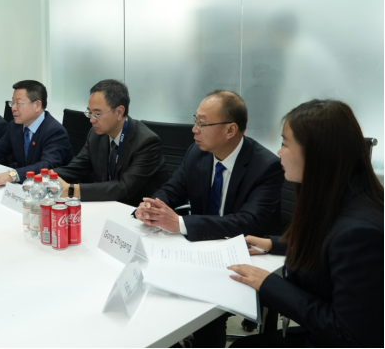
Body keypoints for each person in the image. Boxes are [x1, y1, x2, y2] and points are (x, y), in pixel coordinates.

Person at [228, 100, 384, 348]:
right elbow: (329, 244)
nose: (279, 152)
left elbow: (350, 335)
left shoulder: (359, 233)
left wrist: (269, 284)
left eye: (284, 143)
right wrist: (274, 244)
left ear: (316, 153)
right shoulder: (343, 196)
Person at [134, 90, 283, 348]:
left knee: (205, 307)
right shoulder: (197, 152)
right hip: (202, 250)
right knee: (152, 285)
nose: (194, 129)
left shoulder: (266, 166)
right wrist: (152, 205)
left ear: (230, 130)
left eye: (202, 123)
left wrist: (180, 224)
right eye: (195, 120)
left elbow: (248, 221)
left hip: (246, 254)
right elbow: (173, 189)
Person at [51, 79, 168, 207]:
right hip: (107, 205)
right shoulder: (95, 135)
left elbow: (124, 188)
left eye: (97, 114)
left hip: (137, 211)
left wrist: (72, 190)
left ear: (119, 112)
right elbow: (76, 168)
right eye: (89, 113)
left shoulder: (146, 142)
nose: (91, 120)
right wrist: (46, 177)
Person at [0, 80, 73, 186]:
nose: (13, 108)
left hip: (54, 190)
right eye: (12, 103)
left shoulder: (54, 131)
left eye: (18, 103)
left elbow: (47, 165)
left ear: (37, 105)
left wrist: (13, 175)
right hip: (24, 186)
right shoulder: (15, 127)